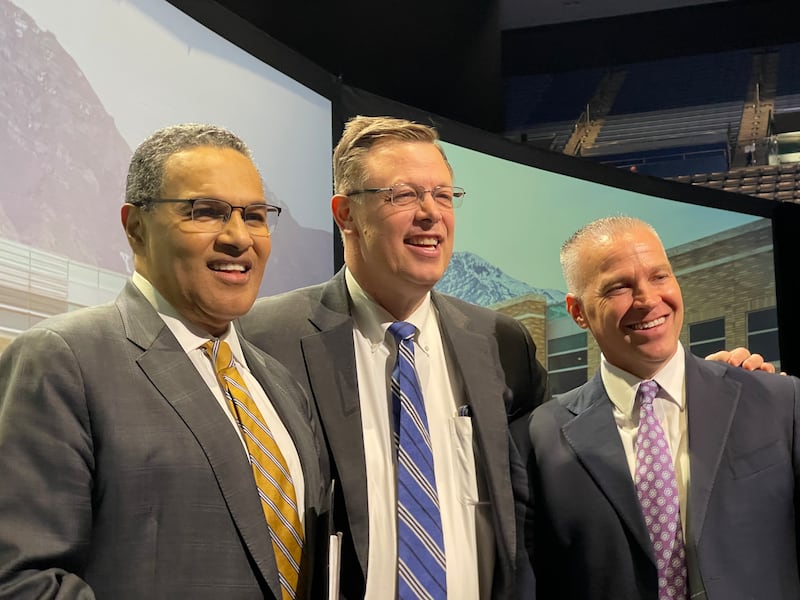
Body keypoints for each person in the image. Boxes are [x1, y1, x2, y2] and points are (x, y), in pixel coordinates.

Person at [0, 124, 330, 599]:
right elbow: (22, 580)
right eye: (207, 212)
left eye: (255, 216)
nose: (239, 237)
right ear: (136, 227)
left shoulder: (282, 387)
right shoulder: (61, 360)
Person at [239, 115, 547, 599]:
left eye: (443, 195)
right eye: (403, 195)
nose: (430, 213)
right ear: (346, 215)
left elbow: (542, 499)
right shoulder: (263, 339)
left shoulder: (503, 344)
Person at [528, 215, 800, 599]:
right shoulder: (542, 437)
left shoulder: (777, 400)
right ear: (578, 312)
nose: (648, 299)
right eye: (619, 287)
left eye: (659, 276)